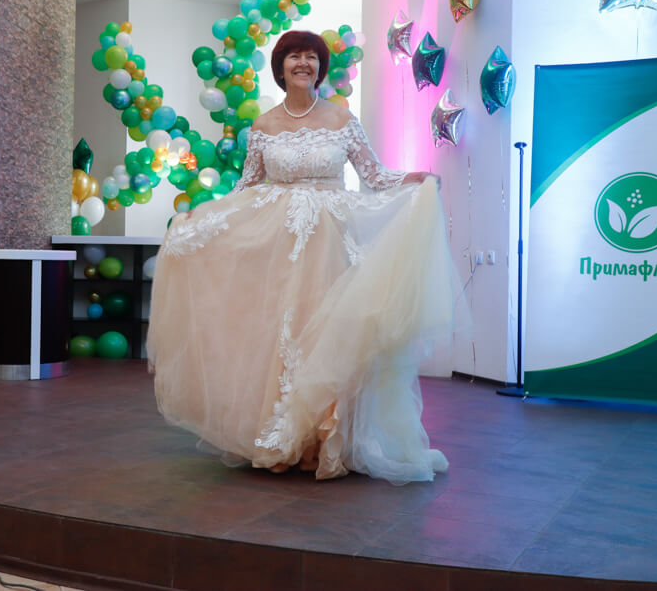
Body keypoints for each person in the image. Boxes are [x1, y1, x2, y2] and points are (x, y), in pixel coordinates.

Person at [147, 30, 457, 484]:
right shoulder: (263, 126)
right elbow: (247, 186)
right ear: (281, 67)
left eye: (311, 57)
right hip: (279, 248)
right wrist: (203, 215)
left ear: (320, 68)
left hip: (331, 243)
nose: (303, 64)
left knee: (329, 333)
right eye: (294, 56)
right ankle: (281, 437)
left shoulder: (342, 119)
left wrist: (413, 180)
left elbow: (374, 175)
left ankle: (324, 441)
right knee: (281, 336)